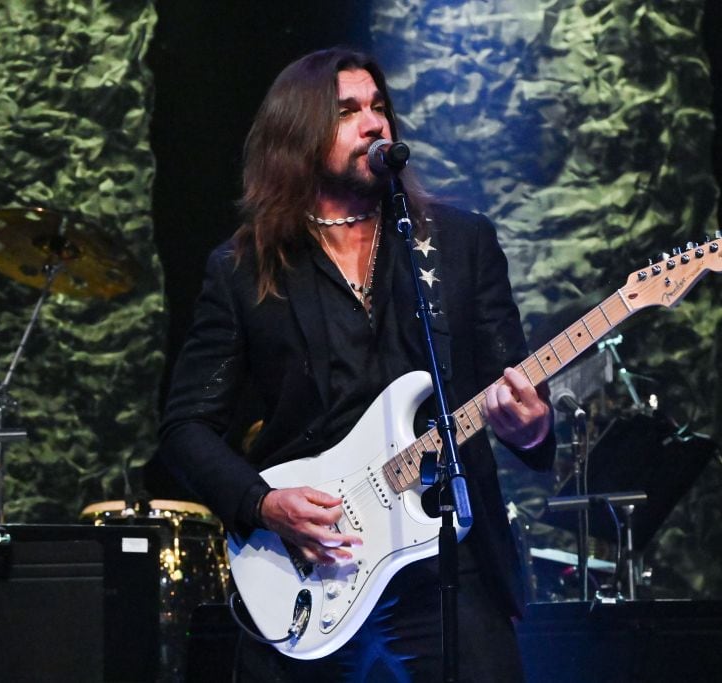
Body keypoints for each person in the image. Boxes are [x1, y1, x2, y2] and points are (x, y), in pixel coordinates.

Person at [157, 46, 555, 682]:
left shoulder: (458, 243)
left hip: (445, 562)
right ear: (300, 133)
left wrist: (531, 426)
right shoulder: (244, 268)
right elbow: (186, 427)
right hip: (314, 562)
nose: (374, 124)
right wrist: (263, 503)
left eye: (378, 107)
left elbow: (515, 390)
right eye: (348, 111)